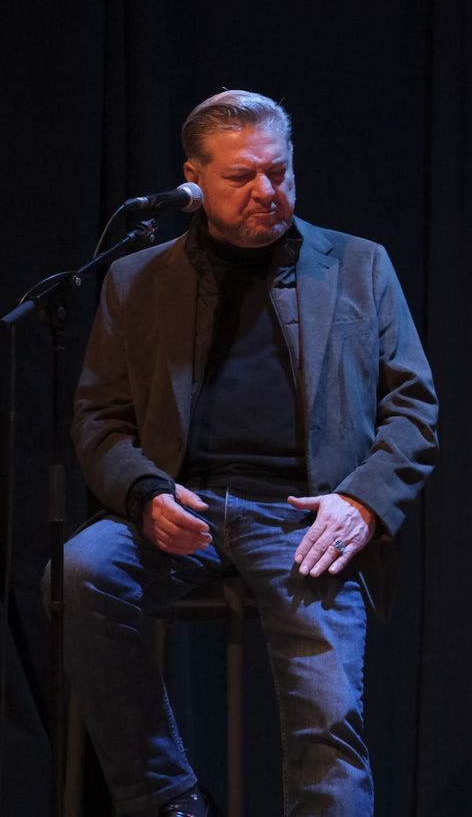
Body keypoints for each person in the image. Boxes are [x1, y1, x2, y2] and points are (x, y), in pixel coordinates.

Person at [57, 89, 439, 816]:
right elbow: (99, 419)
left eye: (280, 171)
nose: (268, 191)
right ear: (193, 180)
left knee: (328, 722)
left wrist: (361, 502)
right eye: (242, 177)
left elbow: (414, 409)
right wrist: (143, 493)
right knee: (82, 569)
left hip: (305, 518)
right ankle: (168, 800)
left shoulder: (359, 266)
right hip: (182, 509)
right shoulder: (137, 280)